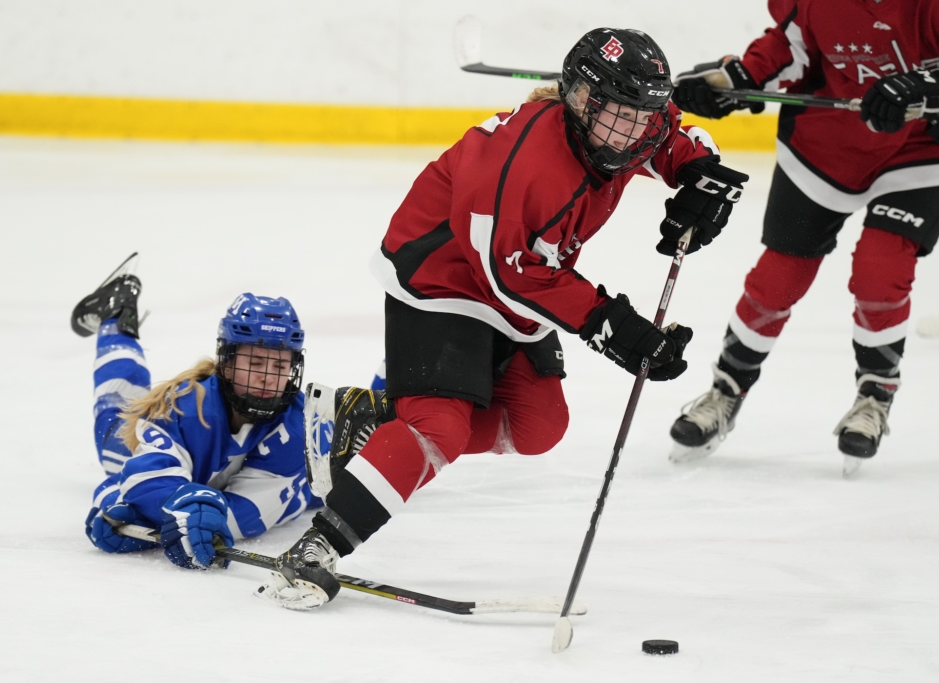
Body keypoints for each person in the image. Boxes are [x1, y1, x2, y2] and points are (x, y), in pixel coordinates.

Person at [256, 28, 750, 610]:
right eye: (621, 117)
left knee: (539, 427)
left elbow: (666, 129)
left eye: (639, 117)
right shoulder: (529, 166)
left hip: (518, 278)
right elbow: (507, 273)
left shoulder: (618, 125)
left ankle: (368, 419)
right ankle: (317, 548)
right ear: (580, 99)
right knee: (439, 430)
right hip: (442, 278)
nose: (633, 135)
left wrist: (700, 172)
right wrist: (611, 325)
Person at [668, 0, 939, 472]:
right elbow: (787, 50)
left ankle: (875, 395)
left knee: (880, 270)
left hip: (918, 151)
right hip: (825, 147)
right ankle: (726, 389)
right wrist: (733, 83)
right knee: (777, 279)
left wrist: (927, 86)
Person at [72, 254, 319, 569]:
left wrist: (155, 516)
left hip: (316, 486)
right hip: (182, 467)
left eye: (280, 365)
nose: (266, 378)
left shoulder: (299, 426)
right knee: (117, 435)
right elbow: (132, 481)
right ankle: (115, 315)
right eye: (255, 363)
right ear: (226, 362)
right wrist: (122, 504)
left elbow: (248, 515)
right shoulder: (185, 407)